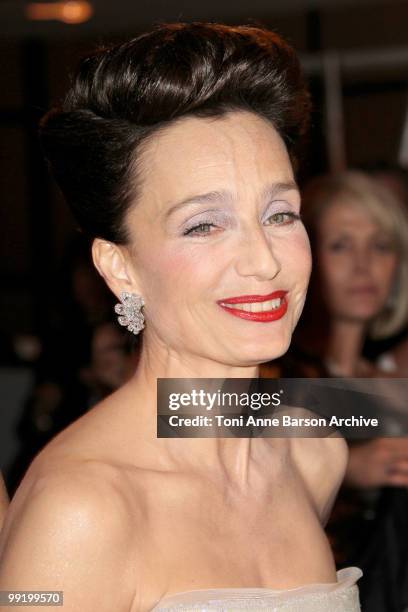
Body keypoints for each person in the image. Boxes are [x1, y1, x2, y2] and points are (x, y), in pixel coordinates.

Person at [0, 23, 362, 610]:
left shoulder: (312, 452)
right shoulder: (82, 510)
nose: (264, 263)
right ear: (120, 269)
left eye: (279, 214)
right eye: (203, 225)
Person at [267, 170, 408, 611]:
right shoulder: (270, 374)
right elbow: (177, 416)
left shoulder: (389, 388)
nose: (363, 265)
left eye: (380, 246)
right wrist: (347, 469)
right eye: (341, 245)